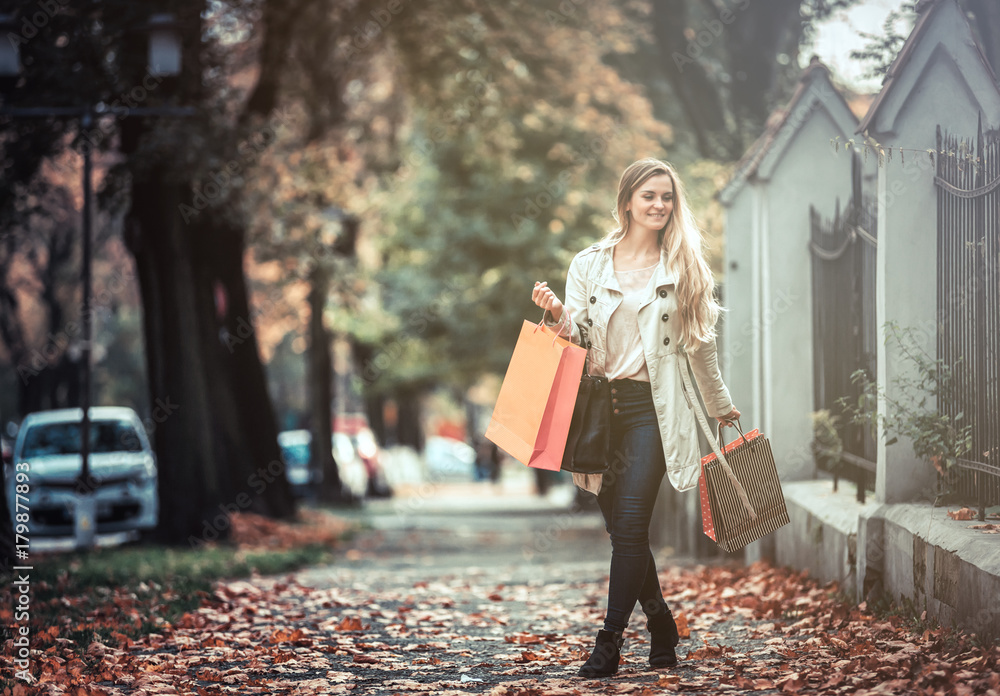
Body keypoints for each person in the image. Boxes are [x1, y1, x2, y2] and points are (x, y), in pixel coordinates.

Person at [531, 158, 740, 678]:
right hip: (602, 414)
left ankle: (609, 642)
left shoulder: (685, 268)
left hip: (653, 413)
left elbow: (701, 350)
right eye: (649, 195)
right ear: (627, 201)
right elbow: (579, 341)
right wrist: (558, 316)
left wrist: (720, 407)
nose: (659, 205)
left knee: (629, 524)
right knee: (622, 534)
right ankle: (662, 623)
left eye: (667, 197)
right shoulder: (589, 265)